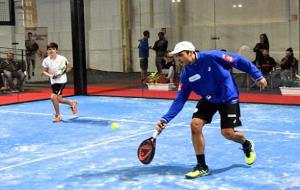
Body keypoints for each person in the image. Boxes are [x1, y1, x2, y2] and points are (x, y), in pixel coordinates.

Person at [155, 41, 267, 179]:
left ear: (190, 52)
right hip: (209, 99)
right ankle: (202, 167)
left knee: (227, 133)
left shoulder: (212, 56)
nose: (178, 59)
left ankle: (246, 144)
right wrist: (165, 119)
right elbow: (180, 99)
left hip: (227, 97)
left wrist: (258, 75)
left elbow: (238, 60)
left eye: (180, 55)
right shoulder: (186, 74)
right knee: (194, 125)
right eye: (177, 56)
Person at [42, 42, 78, 122]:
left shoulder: (62, 58)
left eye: (53, 49)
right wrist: (50, 76)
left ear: (56, 50)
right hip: (53, 81)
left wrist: (62, 72)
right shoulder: (46, 60)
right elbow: (44, 71)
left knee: (53, 97)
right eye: (49, 49)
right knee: (59, 99)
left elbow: (70, 66)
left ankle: (58, 115)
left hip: (62, 80)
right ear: (47, 51)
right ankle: (72, 103)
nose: (51, 51)